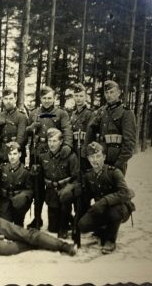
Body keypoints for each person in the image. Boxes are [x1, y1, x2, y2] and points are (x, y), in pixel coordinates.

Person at [69, 142, 135, 254]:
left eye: (98, 156)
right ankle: (103, 230)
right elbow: (85, 200)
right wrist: (78, 192)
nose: (95, 160)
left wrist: (105, 201)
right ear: (88, 159)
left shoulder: (114, 172)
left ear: (104, 157)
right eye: (92, 157)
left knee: (114, 211)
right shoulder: (88, 176)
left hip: (120, 208)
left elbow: (125, 193)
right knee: (83, 224)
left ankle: (110, 240)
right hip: (101, 209)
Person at [26, 86, 73, 229]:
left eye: (49, 98)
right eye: (44, 98)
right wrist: (31, 128)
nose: (47, 101)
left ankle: (65, 218)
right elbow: (27, 132)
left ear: (54, 99)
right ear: (40, 99)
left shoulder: (61, 113)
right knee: (37, 188)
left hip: (55, 154)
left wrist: (67, 146)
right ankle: (37, 218)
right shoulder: (34, 113)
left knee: (56, 186)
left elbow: (67, 131)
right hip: (38, 153)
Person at [84, 80, 136, 175]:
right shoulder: (101, 111)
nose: (109, 95)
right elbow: (90, 130)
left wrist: (118, 164)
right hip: (100, 159)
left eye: (112, 92)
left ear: (119, 93)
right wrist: (89, 152)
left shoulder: (126, 112)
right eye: (106, 92)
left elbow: (129, 144)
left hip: (116, 159)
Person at [38, 128, 79, 238]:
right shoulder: (43, 156)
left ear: (61, 142)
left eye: (54, 141)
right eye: (49, 141)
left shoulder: (70, 156)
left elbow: (76, 178)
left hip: (66, 190)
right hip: (51, 192)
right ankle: (68, 218)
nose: (51, 144)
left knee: (65, 201)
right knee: (52, 228)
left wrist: (69, 188)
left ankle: (66, 225)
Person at [0, 142, 33, 227]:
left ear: (20, 154)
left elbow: (30, 190)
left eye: (15, 154)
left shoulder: (25, 171)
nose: (12, 157)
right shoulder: (3, 168)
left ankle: (19, 220)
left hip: (19, 203)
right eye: (10, 154)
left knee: (17, 226)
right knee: (3, 227)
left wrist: (22, 197)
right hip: (5, 201)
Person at [0, 87, 27, 164]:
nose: (8, 101)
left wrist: (13, 151)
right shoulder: (1, 115)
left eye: (11, 98)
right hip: (3, 152)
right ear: (2, 100)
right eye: (6, 99)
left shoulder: (21, 116)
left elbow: (21, 137)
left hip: (16, 153)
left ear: (15, 99)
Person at [70, 83, 93, 171]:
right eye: (76, 96)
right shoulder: (73, 114)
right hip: (74, 149)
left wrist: (85, 151)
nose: (78, 98)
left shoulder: (89, 113)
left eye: (81, 96)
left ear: (85, 97)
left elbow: (90, 134)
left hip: (84, 149)